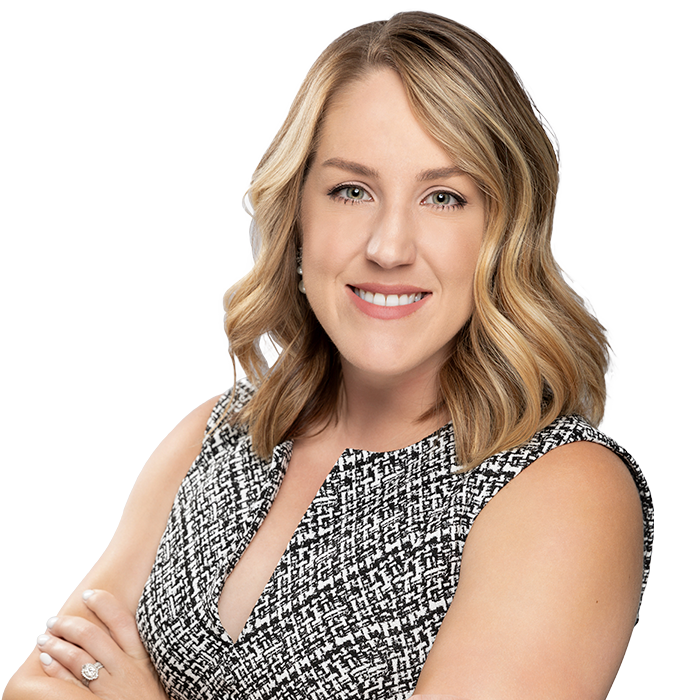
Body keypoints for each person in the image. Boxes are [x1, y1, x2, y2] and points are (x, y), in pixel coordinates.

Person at [4, 10, 654, 700]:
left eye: (444, 197)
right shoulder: (216, 434)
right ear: (297, 215)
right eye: (351, 190)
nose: (388, 247)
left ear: (506, 230)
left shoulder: (564, 488)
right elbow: (39, 685)